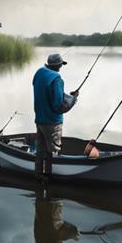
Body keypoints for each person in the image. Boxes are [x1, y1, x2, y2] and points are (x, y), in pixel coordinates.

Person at [32, 53, 78, 182]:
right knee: (52, 151)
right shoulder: (57, 79)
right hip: (52, 122)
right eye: (61, 65)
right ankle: (48, 179)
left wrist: (69, 96)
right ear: (58, 65)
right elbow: (58, 106)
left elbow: (47, 93)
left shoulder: (39, 73)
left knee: (40, 150)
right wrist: (73, 100)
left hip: (40, 119)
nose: (61, 67)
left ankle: (38, 177)